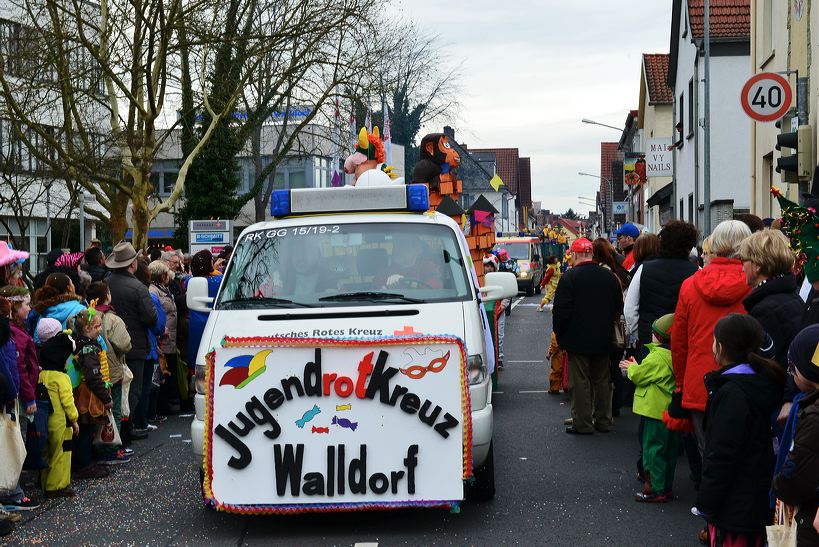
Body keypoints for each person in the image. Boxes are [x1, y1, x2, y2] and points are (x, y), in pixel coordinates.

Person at [693, 313, 786, 547]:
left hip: (734, 503)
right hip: (757, 494)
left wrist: (707, 503)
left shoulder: (732, 393)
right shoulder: (762, 381)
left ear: (720, 347)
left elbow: (721, 454)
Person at [671, 219, 752, 455]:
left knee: (708, 454)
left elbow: (679, 342)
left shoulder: (690, 285)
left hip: (699, 382)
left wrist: (680, 383)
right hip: (744, 382)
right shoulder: (753, 284)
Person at [552, 237, 623, 434]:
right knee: (602, 380)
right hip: (603, 338)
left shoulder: (569, 278)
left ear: (574, 255)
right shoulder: (609, 277)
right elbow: (618, 307)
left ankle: (583, 423)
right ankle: (603, 420)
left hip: (577, 340)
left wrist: (561, 335)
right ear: (591, 254)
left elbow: (561, 313)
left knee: (580, 382)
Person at [739, 229, 803, 424]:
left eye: (744, 261)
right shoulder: (788, 297)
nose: (742, 268)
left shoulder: (767, 308)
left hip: (774, 410)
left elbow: (766, 369)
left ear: (757, 266)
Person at [620, 313, 678, 503]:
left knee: (652, 449)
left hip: (653, 411)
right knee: (668, 450)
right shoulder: (674, 356)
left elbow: (640, 376)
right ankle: (665, 486)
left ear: (658, 337)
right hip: (670, 411)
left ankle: (653, 488)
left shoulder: (658, 357)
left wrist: (632, 368)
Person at [771, 325, 819, 547]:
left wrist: (778, 486)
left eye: (792, 368)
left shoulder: (814, 416)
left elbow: (796, 477)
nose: (790, 374)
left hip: (805, 520)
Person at [106, 242, 158, 442]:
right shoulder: (138, 288)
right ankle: (127, 430)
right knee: (134, 389)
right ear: (132, 265)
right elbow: (151, 318)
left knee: (117, 389)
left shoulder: (107, 283)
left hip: (110, 344)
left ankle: (120, 429)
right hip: (135, 344)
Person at [625, 220, 699, 359]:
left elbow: (629, 309)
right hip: (685, 344)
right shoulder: (698, 272)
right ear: (689, 246)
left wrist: (642, 335)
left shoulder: (644, 269)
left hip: (650, 343)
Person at [84, 281, 131, 461]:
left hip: (92, 371)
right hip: (112, 371)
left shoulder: (85, 315)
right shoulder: (112, 319)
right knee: (113, 410)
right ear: (107, 296)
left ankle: (95, 449)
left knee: (95, 409)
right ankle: (111, 450)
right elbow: (124, 344)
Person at [69, 308, 113, 478]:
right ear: (87, 329)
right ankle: (83, 465)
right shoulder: (88, 349)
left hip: (83, 391)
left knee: (84, 430)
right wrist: (106, 397)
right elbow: (93, 376)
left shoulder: (79, 342)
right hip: (87, 395)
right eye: (96, 327)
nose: (99, 329)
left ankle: (82, 462)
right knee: (86, 430)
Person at [38, 332, 79, 498]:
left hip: (46, 419)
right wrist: (75, 419)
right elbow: (68, 402)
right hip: (61, 422)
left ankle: (45, 482)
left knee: (48, 452)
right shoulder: (62, 378)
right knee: (62, 453)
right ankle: (56, 486)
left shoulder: (42, 375)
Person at [149, 260, 177, 415]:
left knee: (168, 370)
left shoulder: (163, 289)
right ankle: (162, 406)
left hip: (171, 338)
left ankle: (167, 403)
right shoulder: (153, 291)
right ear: (161, 275)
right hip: (163, 338)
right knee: (163, 371)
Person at [32, 273, 86, 344]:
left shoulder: (44, 311)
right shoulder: (80, 310)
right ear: (69, 288)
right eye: (71, 282)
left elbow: (37, 340)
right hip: (73, 353)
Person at [482, 255, 505, 370]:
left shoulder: (499, 278)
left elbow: (505, 293)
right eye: (486, 266)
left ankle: (499, 358)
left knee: (499, 335)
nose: (488, 268)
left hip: (498, 310)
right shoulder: (479, 278)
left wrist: (503, 305)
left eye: (490, 266)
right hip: (484, 310)